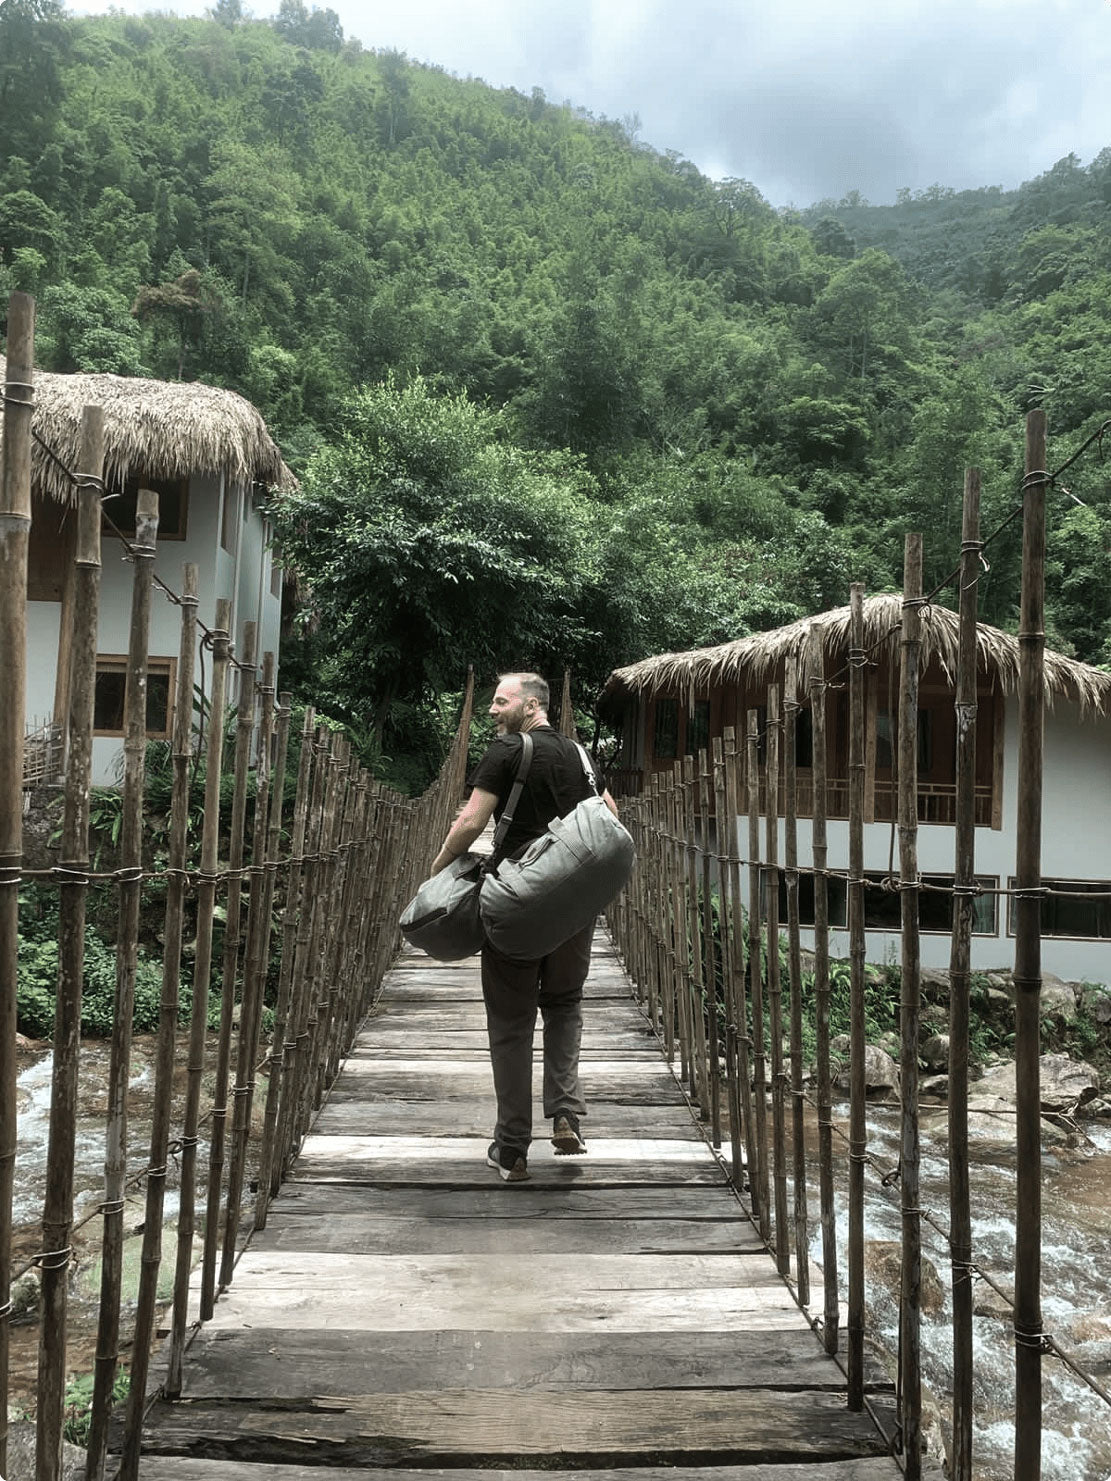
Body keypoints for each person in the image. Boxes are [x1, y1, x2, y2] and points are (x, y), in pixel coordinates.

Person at [430, 672, 619, 1183]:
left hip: (515, 903)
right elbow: (610, 819)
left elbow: (471, 823)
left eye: (500, 701)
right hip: (573, 906)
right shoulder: (581, 756)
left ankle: (512, 1149)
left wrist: (439, 869)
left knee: (512, 1025)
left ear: (530, 704)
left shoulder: (507, 751)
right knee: (564, 1005)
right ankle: (564, 1113)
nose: (492, 710)